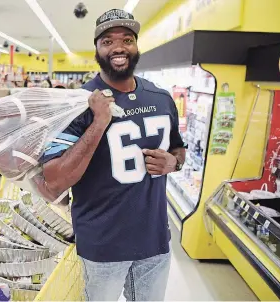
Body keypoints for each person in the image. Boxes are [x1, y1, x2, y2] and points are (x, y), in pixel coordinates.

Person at [41, 8, 186, 301]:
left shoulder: (161, 98)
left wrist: (174, 162)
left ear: (136, 46)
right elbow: (54, 181)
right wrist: (98, 122)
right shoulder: (77, 105)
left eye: (127, 39)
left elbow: (178, 148)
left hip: (155, 240)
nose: (119, 47)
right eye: (107, 41)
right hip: (103, 246)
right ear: (96, 48)